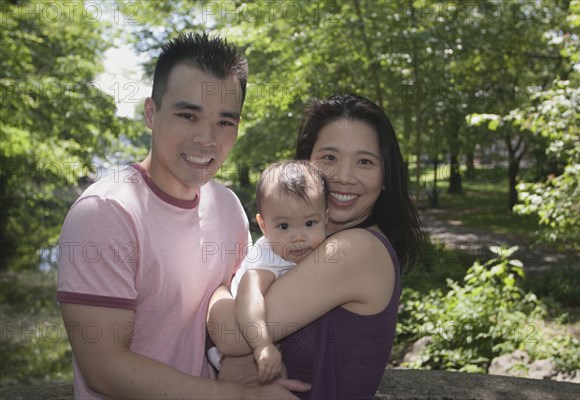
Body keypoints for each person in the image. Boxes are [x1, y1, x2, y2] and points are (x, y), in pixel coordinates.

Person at [56, 32, 309, 399]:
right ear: (150, 112)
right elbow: (105, 369)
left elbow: (230, 309)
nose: (207, 139)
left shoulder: (227, 206)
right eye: (188, 115)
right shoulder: (106, 213)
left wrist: (241, 360)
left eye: (225, 122)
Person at [208, 94, 428, 399]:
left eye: (365, 161)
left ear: (386, 175)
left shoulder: (355, 250)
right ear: (304, 165)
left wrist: (216, 286)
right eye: (329, 158)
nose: (343, 177)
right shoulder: (314, 245)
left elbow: (231, 336)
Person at [224, 160, 329, 383]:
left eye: (310, 223)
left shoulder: (323, 248)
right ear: (263, 226)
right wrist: (262, 345)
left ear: (326, 218)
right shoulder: (268, 257)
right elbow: (248, 298)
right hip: (241, 347)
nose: (299, 237)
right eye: (284, 226)